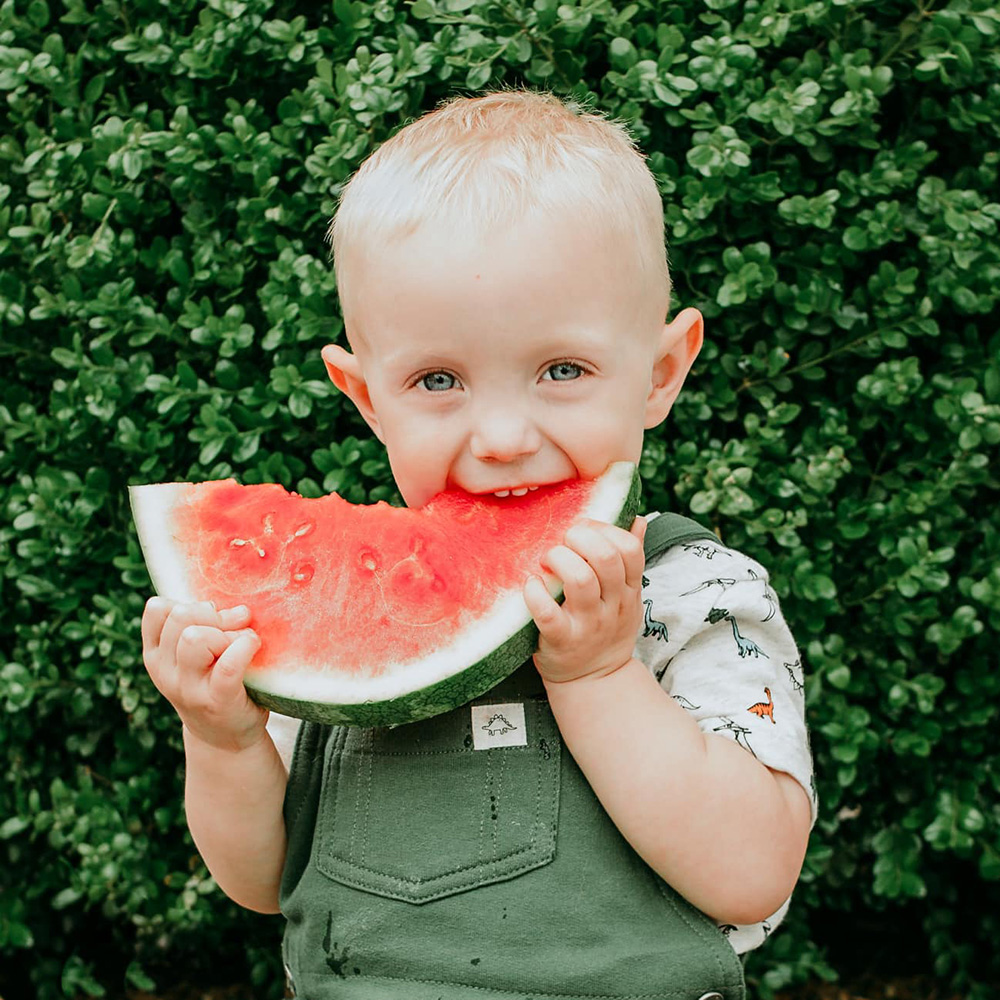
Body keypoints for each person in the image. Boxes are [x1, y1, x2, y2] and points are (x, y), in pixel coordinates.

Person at [141, 88, 816, 999]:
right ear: (366, 396)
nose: (501, 434)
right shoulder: (336, 624)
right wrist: (223, 743)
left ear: (661, 372)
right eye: (439, 379)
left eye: (562, 370)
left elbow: (751, 872)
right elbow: (264, 883)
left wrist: (599, 676)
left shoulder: (697, 595)